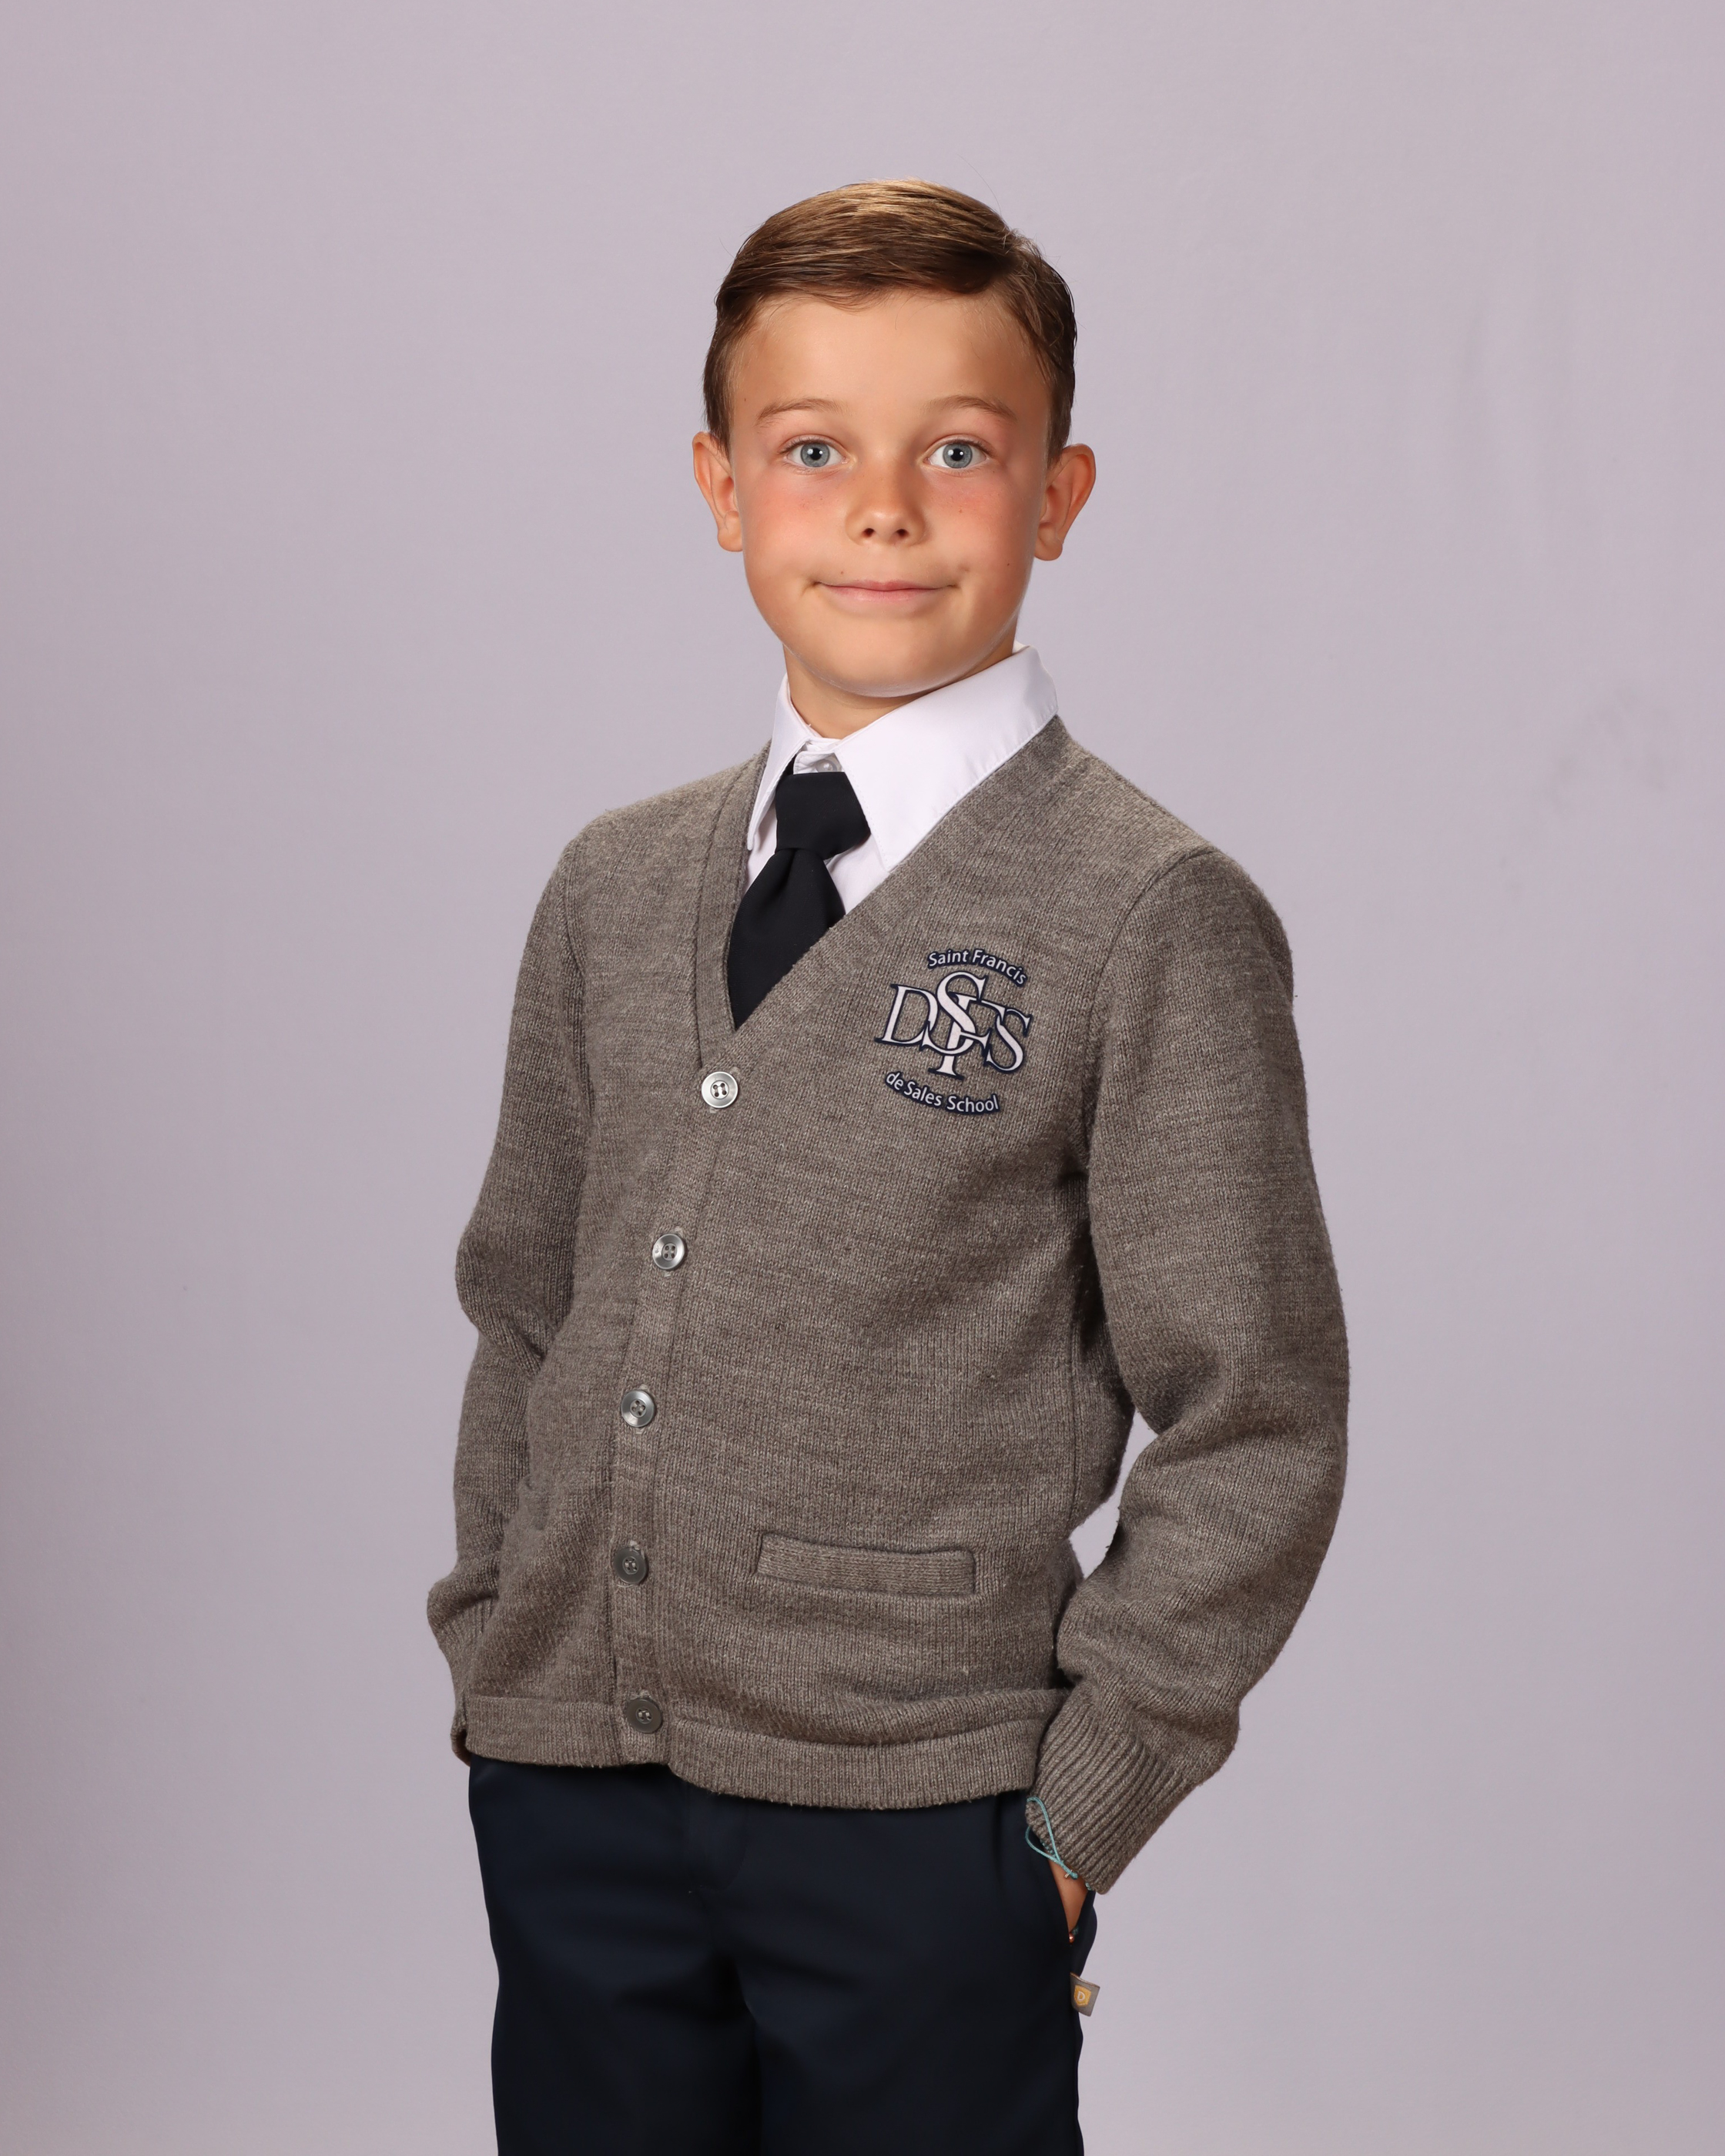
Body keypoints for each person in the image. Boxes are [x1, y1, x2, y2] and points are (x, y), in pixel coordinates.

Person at [428, 179, 1348, 2156]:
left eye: (956, 450)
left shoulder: (1144, 908)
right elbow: (526, 1300)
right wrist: (499, 1647)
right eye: (811, 449)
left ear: (1058, 492)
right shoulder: (613, 884)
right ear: (720, 486)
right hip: (574, 1787)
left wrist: (1074, 1818)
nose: (881, 509)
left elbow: (1256, 1411)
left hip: (922, 1823)